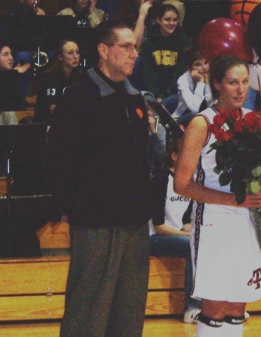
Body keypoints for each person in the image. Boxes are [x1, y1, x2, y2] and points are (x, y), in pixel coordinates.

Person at [46, 20, 151, 337]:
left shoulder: (135, 98)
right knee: (88, 310)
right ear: (103, 50)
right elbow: (59, 156)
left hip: (134, 221)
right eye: (126, 47)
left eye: (136, 47)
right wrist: (64, 204)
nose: (134, 53)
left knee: (129, 310)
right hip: (95, 221)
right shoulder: (79, 97)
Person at [174, 55, 261, 337]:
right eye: (232, 83)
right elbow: (181, 184)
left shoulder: (253, 121)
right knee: (215, 305)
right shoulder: (202, 123)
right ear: (217, 84)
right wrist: (233, 200)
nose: (240, 89)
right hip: (213, 221)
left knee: (239, 305)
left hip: (248, 220)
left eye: (244, 82)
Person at [149, 137, 202, 323]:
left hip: (175, 235)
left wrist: (195, 232)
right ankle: (192, 308)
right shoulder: (161, 180)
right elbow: (159, 226)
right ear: (174, 156)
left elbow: (185, 221)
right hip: (154, 238)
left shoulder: (189, 182)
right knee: (192, 245)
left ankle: (219, 305)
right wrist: (188, 235)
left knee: (207, 242)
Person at [141, 4, 190, 112]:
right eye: (167, 19)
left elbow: (180, 72)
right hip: (154, 91)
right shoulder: (149, 43)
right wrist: (155, 95)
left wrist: (164, 95)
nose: (172, 23)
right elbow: (149, 73)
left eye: (175, 20)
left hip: (175, 91)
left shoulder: (183, 41)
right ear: (158, 20)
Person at [35, 40, 83, 124]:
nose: (76, 57)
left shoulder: (81, 76)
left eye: (77, 52)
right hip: (49, 124)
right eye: (70, 53)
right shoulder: (50, 77)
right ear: (60, 56)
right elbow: (54, 111)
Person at [172, 47, 213, 125]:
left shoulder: (213, 77)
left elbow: (212, 107)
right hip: (182, 118)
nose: (204, 68)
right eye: (198, 64)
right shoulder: (183, 80)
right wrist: (201, 82)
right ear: (189, 68)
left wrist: (207, 83)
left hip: (206, 119)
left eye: (206, 62)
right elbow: (194, 109)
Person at [0, 42, 28, 124]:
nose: (11, 58)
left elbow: (18, 103)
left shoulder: (12, 77)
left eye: (11, 54)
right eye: (5, 55)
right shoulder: (11, 75)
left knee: (9, 114)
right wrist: (14, 73)